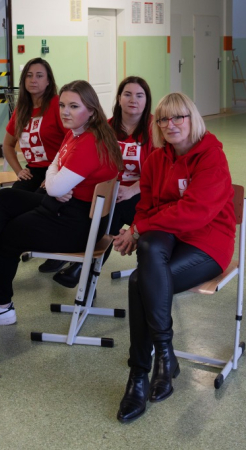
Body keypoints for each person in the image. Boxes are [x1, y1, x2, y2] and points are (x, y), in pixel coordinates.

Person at [113, 92, 235, 424]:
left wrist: (139, 229)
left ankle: (140, 372)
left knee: (139, 281)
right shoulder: (155, 160)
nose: (171, 124)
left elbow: (195, 213)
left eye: (178, 117)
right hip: (169, 239)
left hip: (209, 244)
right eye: (164, 119)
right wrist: (140, 226)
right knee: (150, 250)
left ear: (192, 119)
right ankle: (162, 358)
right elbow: (146, 206)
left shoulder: (211, 157)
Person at [0, 80, 122, 327]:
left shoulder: (89, 142)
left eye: (73, 106)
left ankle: (1, 307)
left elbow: (55, 183)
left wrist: (55, 183)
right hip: (70, 210)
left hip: (77, 225)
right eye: (62, 106)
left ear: (91, 110)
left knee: (7, 237)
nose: (65, 112)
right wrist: (55, 181)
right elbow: (53, 169)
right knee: (6, 197)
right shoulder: (77, 132)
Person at [54, 76, 155, 287]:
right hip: (107, 192)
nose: (133, 100)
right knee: (101, 209)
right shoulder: (105, 128)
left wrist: (131, 190)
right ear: (118, 98)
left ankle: (85, 270)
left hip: (143, 196)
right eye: (127, 94)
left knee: (112, 211)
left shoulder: (156, 129)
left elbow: (160, 172)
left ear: (147, 101)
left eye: (139, 95)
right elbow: (82, 161)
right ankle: (85, 272)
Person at [3, 58, 68, 274]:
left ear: (49, 81)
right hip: (32, 169)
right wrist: (18, 170)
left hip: (57, 169)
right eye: (29, 75)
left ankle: (55, 250)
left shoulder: (58, 105)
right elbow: (7, 145)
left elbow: (72, 143)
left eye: (40, 75)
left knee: (39, 205)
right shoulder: (22, 108)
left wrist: (55, 175)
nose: (34, 80)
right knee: (12, 198)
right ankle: (10, 248)